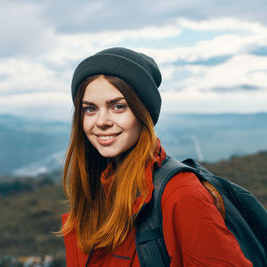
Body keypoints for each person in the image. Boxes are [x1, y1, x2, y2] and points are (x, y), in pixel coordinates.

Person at [60, 47, 252, 266]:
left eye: (118, 106)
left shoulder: (181, 194)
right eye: (90, 109)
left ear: (144, 113)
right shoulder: (95, 190)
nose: (102, 121)